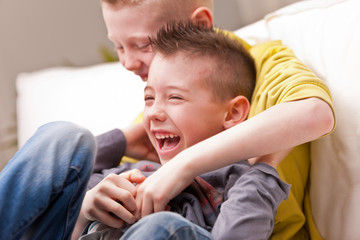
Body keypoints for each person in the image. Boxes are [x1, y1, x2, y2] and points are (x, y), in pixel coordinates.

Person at [96, 0, 335, 239]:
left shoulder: (260, 61)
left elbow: (316, 114)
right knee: (66, 140)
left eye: (143, 44)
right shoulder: (157, 109)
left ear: (199, 24)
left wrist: (183, 165)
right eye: (118, 46)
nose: (127, 63)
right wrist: (123, 141)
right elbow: (102, 179)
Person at [77, 21, 291, 240]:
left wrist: (264, 167)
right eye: (149, 98)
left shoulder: (236, 180)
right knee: (66, 139)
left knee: (160, 226)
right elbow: (61, 188)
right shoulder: (136, 172)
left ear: (232, 113)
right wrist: (84, 209)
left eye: (175, 97)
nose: (152, 114)